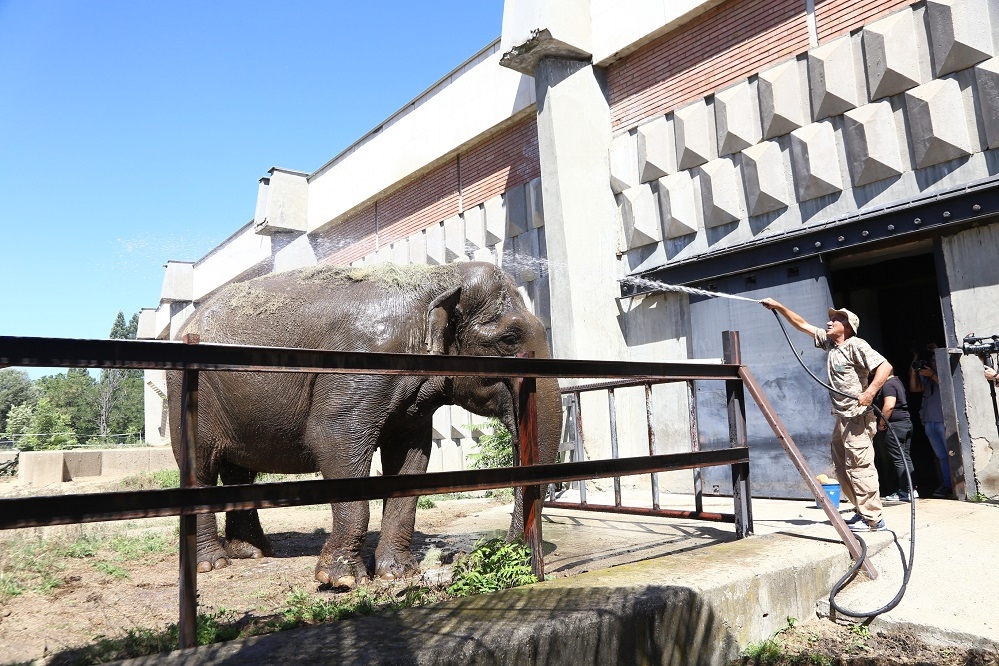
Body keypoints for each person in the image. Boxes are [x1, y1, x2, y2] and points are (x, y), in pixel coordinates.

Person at [761, 299, 892, 532]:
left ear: (848, 326)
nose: (829, 322)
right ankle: (861, 511)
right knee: (842, 468)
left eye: (836, 319)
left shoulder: (856, 345)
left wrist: (870, 392)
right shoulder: (831, 344)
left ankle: (874, 518)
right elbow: (802, 324)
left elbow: (885, 367)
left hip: (858, 416)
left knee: (860, 466)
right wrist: (779, 307)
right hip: (842, 418)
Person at [908, 344, 951, 499]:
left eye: (936, 359)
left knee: (949, 454)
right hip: (929, 420)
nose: (933, 362)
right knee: (941, 456)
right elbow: (914, 388)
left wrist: (932, 374)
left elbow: (948, 387)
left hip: (943, 420)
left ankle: (952, 484)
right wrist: (915, 368)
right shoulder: (927, 378)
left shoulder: (945, 375)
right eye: (932, 360)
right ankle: (946, 484)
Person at [873, 370, 917, 502]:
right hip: (905, 424)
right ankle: (911, 490)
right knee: (905, 458)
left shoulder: (888, 385)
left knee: (899, 459)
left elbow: (889, 406)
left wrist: (882, 423)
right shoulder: (897, 382)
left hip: (895, 426)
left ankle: (905, 491)